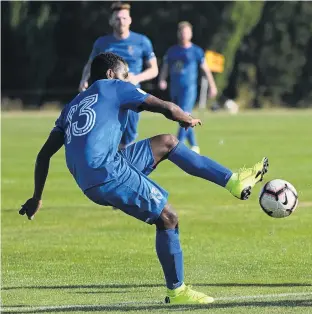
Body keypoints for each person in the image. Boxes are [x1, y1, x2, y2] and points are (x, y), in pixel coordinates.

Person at [19, 52, 269, 305]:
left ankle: (233, 181)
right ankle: (177, 291)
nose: (129, 80)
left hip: (94, 175)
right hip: (107, 173)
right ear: (110, 74)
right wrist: (185, 117)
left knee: (167, 143)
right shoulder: (115, 87)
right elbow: (163, 107)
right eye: (126, 75)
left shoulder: (72, 106)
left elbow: (43, 155)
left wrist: (36, 197)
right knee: (168, 218)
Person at [78, 2, 159, 149]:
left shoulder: (142, 41)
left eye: (124, 18)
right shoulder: (102, 43)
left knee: (127, 142)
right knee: (103, 137)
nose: (121, 21)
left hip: (131, 94)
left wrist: (136, 78)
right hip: (106, 95)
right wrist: (84, 80)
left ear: (130, 20)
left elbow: (154, 70)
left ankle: (124, 168)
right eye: (117, 18)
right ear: (111, 21)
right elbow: (91, 64)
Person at [158, 21, 218, 154]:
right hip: (175, 88)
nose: (184, 35)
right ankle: (195, 145)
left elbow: (206, 70)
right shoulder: (172, 51)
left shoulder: (196, 51)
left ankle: (176, 146)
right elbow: (166, 67)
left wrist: (212, 86)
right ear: (178, 34)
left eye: (186, 32)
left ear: (191, 34)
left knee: (184, 113)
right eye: (182, 32)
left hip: (189, 89)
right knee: (181, 116)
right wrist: (162, 79)